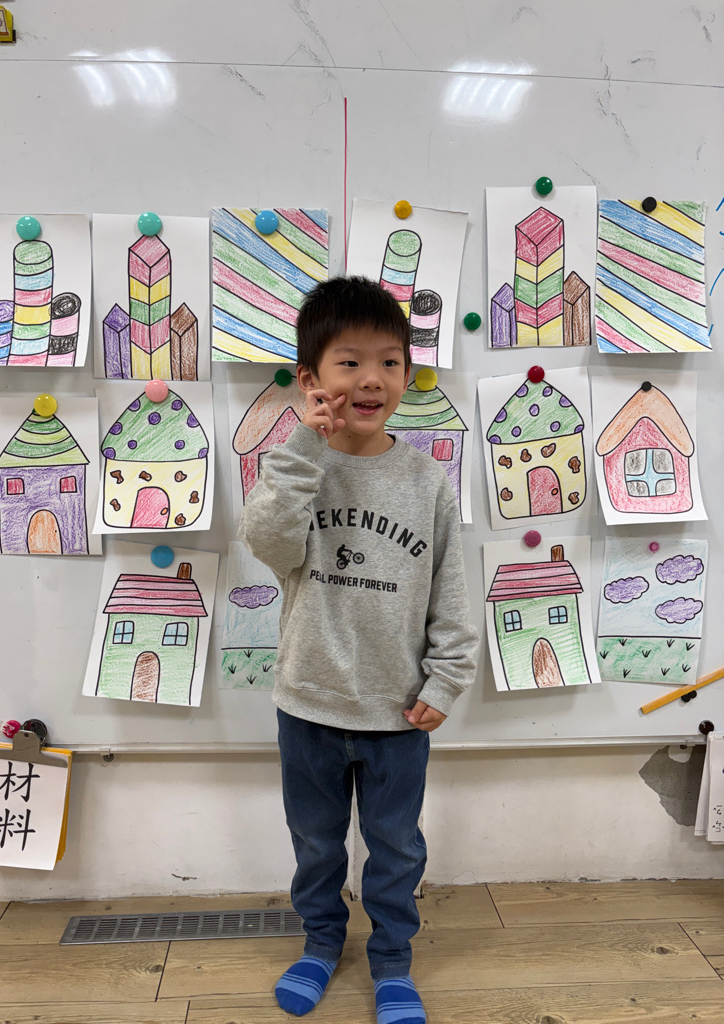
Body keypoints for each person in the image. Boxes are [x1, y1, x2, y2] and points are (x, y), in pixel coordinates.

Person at [238, 276, 479, 1023]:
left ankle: (393, 961)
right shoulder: (296, 468)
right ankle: (319, 944)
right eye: (349, 362)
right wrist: (303, 446)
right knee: (316, 844)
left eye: (389, 362)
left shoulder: (428, 480)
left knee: (396, 848)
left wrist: (446, 680)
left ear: (407, 373)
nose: (371, 378)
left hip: (398, 712)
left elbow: (450, 592)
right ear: (308, 378)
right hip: (307, 703)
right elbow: (268, 543)